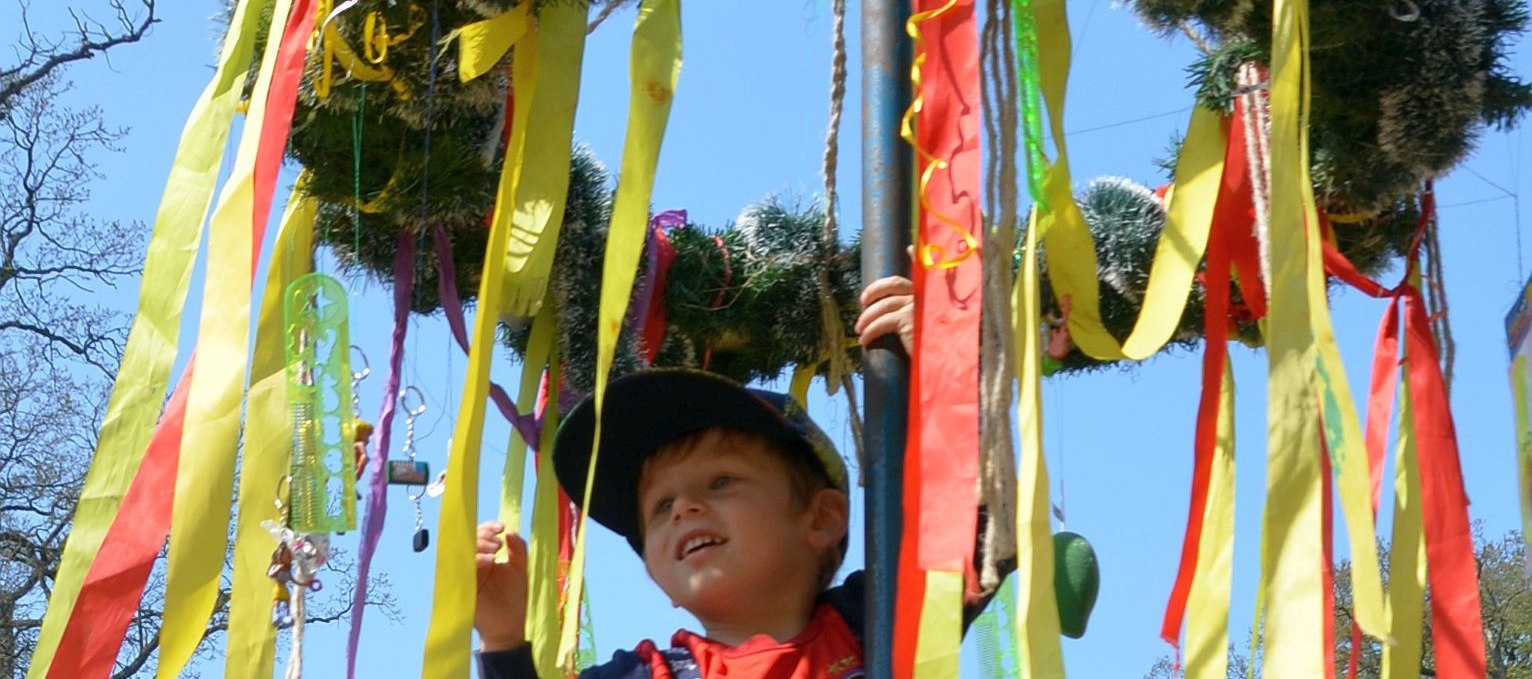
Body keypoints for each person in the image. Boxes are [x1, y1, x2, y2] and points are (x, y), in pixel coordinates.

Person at [474, 276, 993, 678]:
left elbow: (982, 530)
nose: (683, 509)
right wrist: (501, 639)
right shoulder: (645, 673)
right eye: (659, 507)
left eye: (720, 481)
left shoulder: (874, 623)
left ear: (822, 518)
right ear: (655, 576)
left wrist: (947, 373)